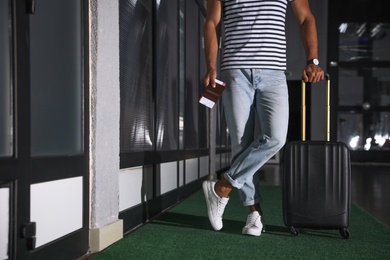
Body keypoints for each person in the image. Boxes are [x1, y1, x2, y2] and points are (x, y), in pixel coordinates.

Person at [202, 0, 325, 236]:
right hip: (235, 70)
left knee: (276, 138)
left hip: (274, 72)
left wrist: (313, 60)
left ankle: (222, 187)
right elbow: (212, 22)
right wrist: (210, 66)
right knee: (242, 145)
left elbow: (306, 17)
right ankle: (254, 214)